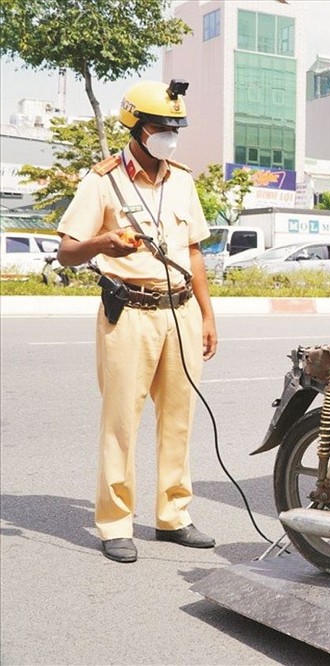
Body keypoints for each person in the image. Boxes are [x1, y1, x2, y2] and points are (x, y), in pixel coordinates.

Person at [56, 80, 218, 563]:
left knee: (179, 420)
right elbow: (66, 251)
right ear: (135, 127)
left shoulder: (183, 180)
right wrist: (103, 244)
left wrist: (208, 315)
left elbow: (193, 251)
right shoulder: (102, 181)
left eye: (175, 129)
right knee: (121, 422)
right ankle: (115, 521)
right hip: (129, 312)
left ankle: (173, 515)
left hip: (182, 310)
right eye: (159, 128)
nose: (169, 137)